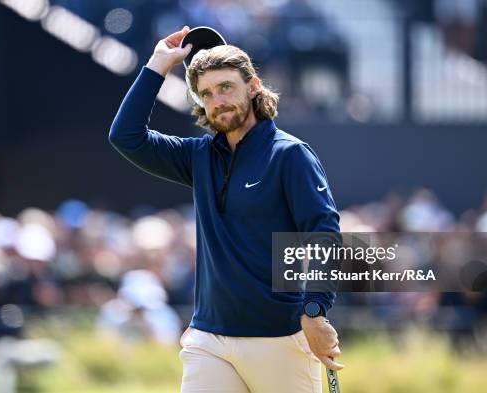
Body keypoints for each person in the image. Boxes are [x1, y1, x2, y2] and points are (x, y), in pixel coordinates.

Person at [109, 25, 343, 393]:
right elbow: (125, 136)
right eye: (207, 94)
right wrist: (157, 64)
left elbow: (323, 234)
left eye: (226, 87)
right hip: (209, 338)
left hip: (280, 336)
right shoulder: (198, 156)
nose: (217, 100)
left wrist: (315, 309)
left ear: (252, 86)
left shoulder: (290, 154)